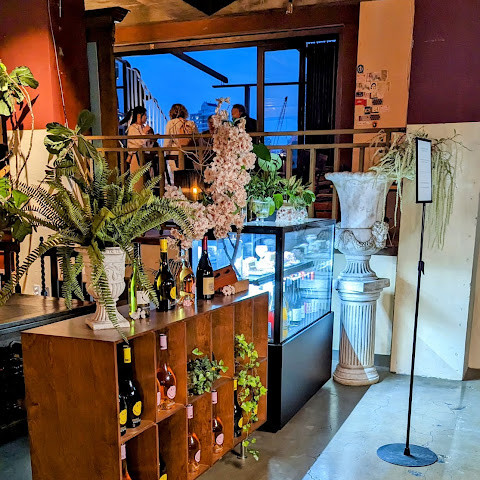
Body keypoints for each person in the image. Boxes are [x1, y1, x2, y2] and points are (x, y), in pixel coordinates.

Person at [164, 104, 198, 181]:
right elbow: (197, 140)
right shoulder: (191, 123)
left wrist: (165, 154)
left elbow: (167, 142)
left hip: (175, 156)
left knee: (178, 180)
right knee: (190, 180)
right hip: (190, 156)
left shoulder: (171, 123)